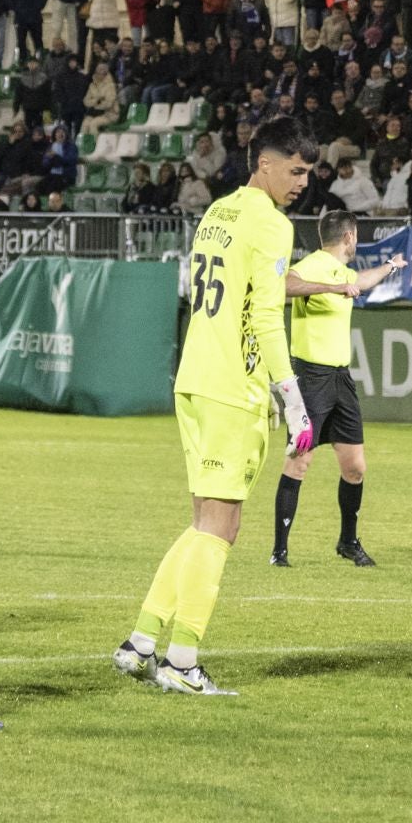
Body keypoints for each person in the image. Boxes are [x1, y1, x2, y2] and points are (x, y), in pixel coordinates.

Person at [112, 118, 320, 698]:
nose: (303, 182)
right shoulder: (272, 224)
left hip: (195, 378)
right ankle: (182, 660)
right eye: (296, 170)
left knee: (205, 521)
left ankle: (143, 642)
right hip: (234, 386)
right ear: (266, 163)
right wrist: (294, 400)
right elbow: (265, 318)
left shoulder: (219, 211)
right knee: (222, 526)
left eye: (308, 172)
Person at [270, 212, 408, 568]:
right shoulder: (315, 264)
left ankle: (348, 542)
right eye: (356, 235)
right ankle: (279, 551)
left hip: (340, 381)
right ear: (349, 236)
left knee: (355, 467)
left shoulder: (341, 271)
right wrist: (333, 289)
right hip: (311, 379)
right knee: (299, 463)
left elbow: (360, 281)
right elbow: (286, 284)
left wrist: (391, 266)